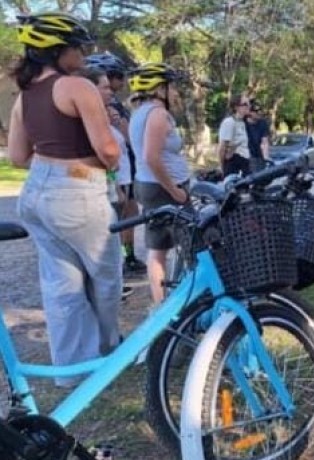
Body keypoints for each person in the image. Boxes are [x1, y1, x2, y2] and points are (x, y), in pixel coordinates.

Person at [8, 12, 122, 387]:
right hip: (78, 190)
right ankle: (108, 355)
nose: (83, 54)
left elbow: (17, 157)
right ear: (57, 50)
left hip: (36, 193)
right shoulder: (77, 87)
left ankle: (73, 372)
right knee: (105, 279)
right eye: (77, 47)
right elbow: (109, 151)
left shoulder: (25, 94)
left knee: (62, 288)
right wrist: (109, 156)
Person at [128, 62, 191, 303]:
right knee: (191, 245)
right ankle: (188, 301)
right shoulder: (158, 114)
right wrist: (174, 191)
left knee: (158, 248)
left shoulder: (138, 113)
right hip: (164, 188)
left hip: (147, 185)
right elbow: (151, 157)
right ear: (159, 89)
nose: (175, 92)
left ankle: (161, 305)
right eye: (171, 87)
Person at [85, 52, 147, 273]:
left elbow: (128, 139)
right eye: (118, 77)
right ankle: (115, 263)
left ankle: (127, 256)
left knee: (130, 214)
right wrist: (114, 180)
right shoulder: (95, 110)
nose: (122, 83)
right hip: (112, 175)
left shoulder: (115, 106)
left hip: (127, 169)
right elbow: (105, 151)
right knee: (114, 219)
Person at [218, 94, 252, 176]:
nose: (249, 106)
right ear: (236, 107)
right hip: (233, 164)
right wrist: (222, 167)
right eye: (245, 104)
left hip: (244, 163)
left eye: (249, 103)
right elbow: (222, 147)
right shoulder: (229, 122)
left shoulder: (242, 122)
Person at [245, 100, 271, 172]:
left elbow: (264, 142)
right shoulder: (242, 124)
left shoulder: (263, 123)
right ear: (249, 112)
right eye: (256, 111)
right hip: (246, 157)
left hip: (259, 157)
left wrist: (266, 158)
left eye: (260, 110)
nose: (259, 113)